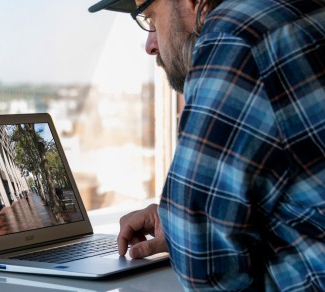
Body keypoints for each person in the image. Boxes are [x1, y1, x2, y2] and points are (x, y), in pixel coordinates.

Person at [89, 0, 325, 290]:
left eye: (150, 17)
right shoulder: (302, 11)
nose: (150, 45)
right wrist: (174, 221)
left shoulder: (236, 35)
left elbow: (204, 267)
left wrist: (185, 226)